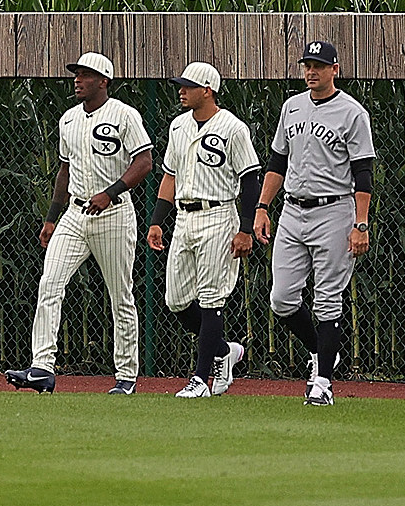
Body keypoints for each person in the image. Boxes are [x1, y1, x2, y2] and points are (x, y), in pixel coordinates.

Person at [7, 51, 154, 396]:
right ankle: (42, 368)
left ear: (103, 81)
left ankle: (126, 376)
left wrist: (112, 192)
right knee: (50, 284)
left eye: (85, 75)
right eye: (76, 74)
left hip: (113, 214)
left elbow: (144, 161)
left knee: (120, 295)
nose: (77, 79)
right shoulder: (69, 119)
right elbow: (64, 169)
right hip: (74, 214)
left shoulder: (124, 115)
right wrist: (50, 218)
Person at [255, 41, 376, 407]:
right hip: (292, 209)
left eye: (320, 66)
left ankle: (323, 381)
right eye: (308, 65)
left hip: (334, 210)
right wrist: (262, 207)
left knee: (327, 301)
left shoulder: (352, 112)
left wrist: (361, 223)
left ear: (334, 69)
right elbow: (277, 162)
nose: (312, 71)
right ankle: (322, 352)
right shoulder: (292, 107)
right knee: (282, 299)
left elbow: (363, 172)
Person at [147, 61, 262, 398]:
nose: (181, 91)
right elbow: (170, 175)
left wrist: (245, 229)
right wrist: (156, 219)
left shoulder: (232, 128)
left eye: (187, 86)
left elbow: (250, 179)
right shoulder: (179, 126)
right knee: (177, 299)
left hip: (219, 215)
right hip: (184, 216)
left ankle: (201, 379)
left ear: (207, 90)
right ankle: (224, 352)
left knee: (211, 299)